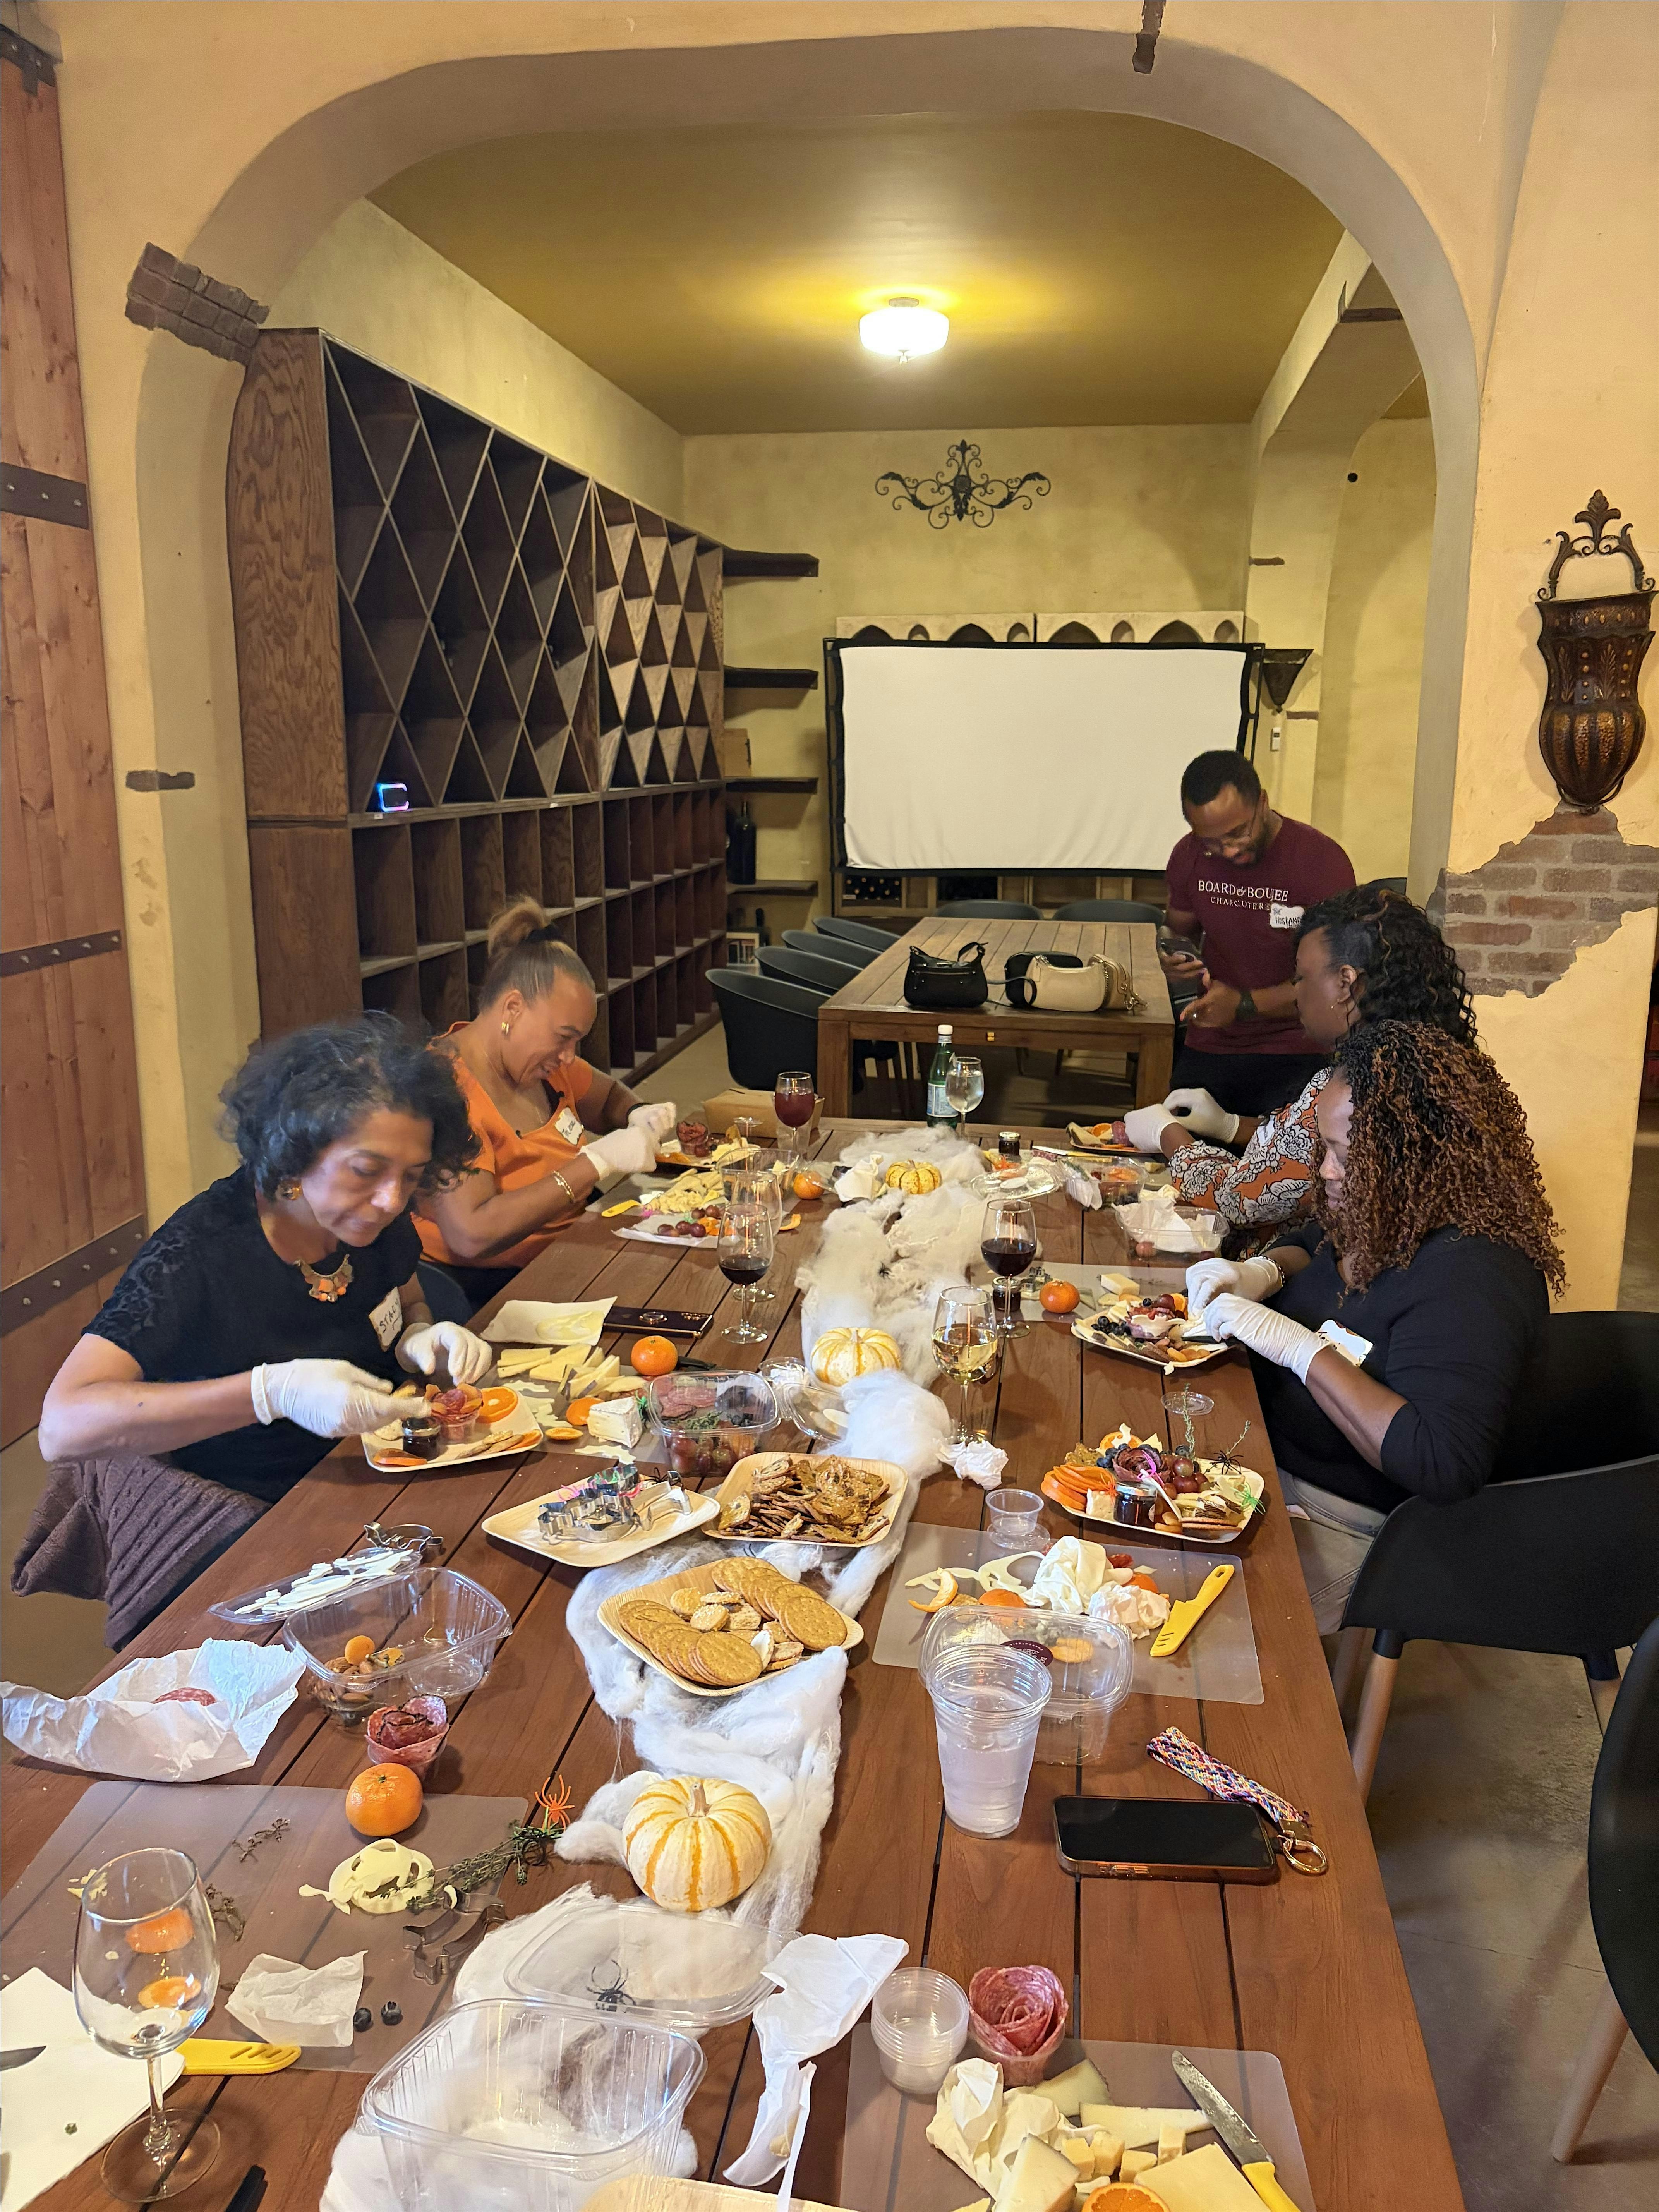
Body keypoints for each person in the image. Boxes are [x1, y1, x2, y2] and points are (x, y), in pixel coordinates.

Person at [27, 1017, 492, 1638]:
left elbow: (403, 1294)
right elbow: (63, 1426)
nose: (391, 1199)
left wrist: (420, 1335)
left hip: (379, 1482)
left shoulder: (373, 1219)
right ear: (296, 1151)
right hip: (255, 1522)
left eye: (411, 1176)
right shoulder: (200, 1250)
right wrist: (271, 1392)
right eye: (366, 1169)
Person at [1187, 1020, 1565, 1632]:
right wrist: (1264, 1270)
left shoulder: (1473, 1277)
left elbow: (1440, 1462)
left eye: (1344, 1154)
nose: (1326, 1172)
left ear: (1415, 1156)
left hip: (1364, 1533)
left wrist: (1303, 1351)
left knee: (1172, 1610)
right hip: (1269, 1468)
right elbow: (1317, 1239)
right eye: (1326, 1148)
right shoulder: (1394, 1209)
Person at [1124, 883, 1475, 1254]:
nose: (1295, 993)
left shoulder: (1356, 1084)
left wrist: (1166, 1134)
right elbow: (1302, 1148)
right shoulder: (1420, 1064)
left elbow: (1239, 1199)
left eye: (1301, 978)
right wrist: (1232, 1126)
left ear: (1346, 983)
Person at [415, 899, 677, 1306]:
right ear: (513, 1009)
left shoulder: (543, 1066)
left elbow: (608, 1096)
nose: (569, 1056)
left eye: (577, 1041)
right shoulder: (448, 1088)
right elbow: (472, 1233)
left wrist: (637, 1113)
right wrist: (594, 1164)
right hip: (492, 1288)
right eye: (563, 1037)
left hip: (570, 1252)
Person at [1160, 750, 1355, 1117]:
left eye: (1238, 832)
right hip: (1212, 1040)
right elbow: (1175, 929)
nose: (1229, 850)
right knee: (1176, 1141)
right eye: (1211, 841)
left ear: (1263, 803)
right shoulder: (1188, 856)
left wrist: (1243, 1005)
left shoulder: (1320, 861)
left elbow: (1335, 983)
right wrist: (1171, 956)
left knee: (1281, 1151)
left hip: (1299, 1047)